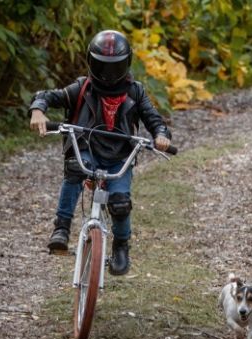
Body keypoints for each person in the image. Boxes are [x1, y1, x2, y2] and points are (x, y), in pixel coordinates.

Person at [29, 30, 172, 276]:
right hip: (87, 149)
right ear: (91, 62)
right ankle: (61, 227)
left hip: (120, 159)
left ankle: (121, 245)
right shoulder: (81, 87)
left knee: (120, 203)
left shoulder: (135, 92)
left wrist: (161, 135)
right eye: (102, 66)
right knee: (74, 170)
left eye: (114, 67)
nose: (108, 74)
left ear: (126, 64)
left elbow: (154, 119)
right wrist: (38, 109)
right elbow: (47, 96)